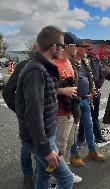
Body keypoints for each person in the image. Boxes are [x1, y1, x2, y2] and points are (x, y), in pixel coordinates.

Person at [15, 26, 73, 189]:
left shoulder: (43, 67)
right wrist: (47, 150)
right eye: (62, 46)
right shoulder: (36, 71)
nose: (63, 49)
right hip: (42, 140)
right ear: (54, 47)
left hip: (46, 135)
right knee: (66, 179)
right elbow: (33, 115)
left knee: (43, 178)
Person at [2, 43, 38, 189]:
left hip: (44, 116)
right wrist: (20, 110)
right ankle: (28, 175)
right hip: (28, 116)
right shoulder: (23, 66)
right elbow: (7, 92)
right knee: (27, 146)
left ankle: (38, 172)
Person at [69, 40, 106, 167]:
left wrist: (92, 93)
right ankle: (74, 155)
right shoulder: (69, 62)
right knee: (73, 129)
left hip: (86, 99)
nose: (87, 49)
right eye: (84, 47)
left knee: (89, 126)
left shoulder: (85, 62)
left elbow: (91, 79)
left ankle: (92, 151)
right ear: (76, 48)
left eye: (87, 48)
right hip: (74, 101)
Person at [54, 32, 82, 183]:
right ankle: (53, 179)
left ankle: (65, 174)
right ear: (66, 46)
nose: (77, 48)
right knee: (59, 146)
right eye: (75, 45)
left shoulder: (69, 62)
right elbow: (43, 88)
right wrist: (63, 90)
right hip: (59, 113)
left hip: (71, 111)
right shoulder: (53, 63)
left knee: (69, 143)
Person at [77, 43, 107, 146]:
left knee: (95, 116)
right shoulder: (79, 61)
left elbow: (102, 75)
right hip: (84, 94)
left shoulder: (96, 60)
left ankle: (98, 136)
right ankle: (80, 138)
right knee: (82, 117)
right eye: (86, 49)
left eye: (90, 49)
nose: (88, 51)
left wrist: (97, 88)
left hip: (95, 93)